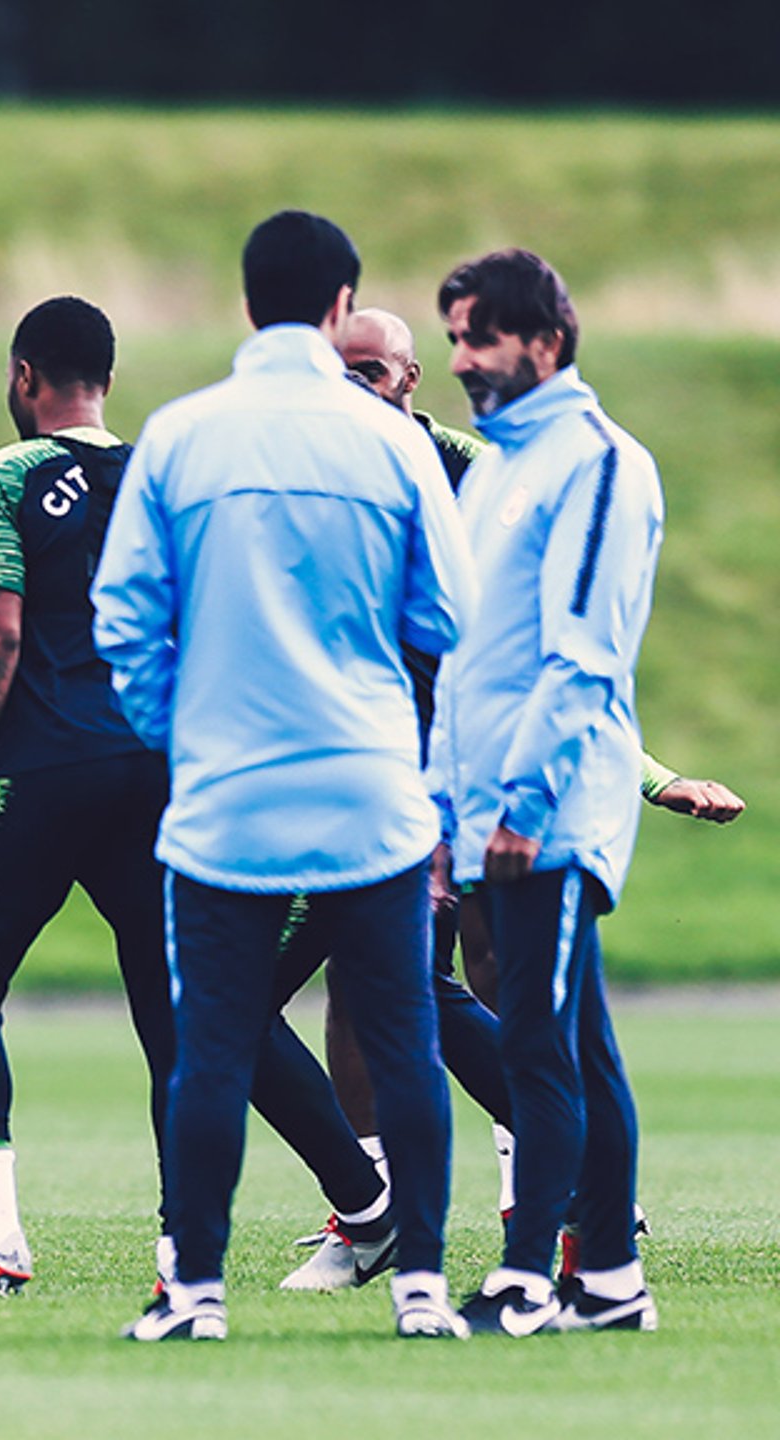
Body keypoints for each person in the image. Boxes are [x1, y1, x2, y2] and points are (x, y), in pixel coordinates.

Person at [0, 299, 400, 1300]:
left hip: (42, 772)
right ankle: (344, 1210)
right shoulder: (161, 471)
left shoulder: (0, 476)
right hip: (160, 770)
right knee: (184, 1011)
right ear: (109, 382)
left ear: (23, 375)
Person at [280, 309, 742, 1292]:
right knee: (363, 988)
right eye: (342, 370)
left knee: (478, 980)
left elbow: (547, 656)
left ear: (410, 378)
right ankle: (398, 1205)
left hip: (467, 781)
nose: (360, 387)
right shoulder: (302, 473)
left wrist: (647, 778)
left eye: (377, 370)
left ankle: (518, 1216)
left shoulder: (472, 472)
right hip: (356, 775)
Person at [92, 211, 476, 1341]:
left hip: (224, 794)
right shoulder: (393, 442)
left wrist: (184, 730)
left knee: (210, 1043)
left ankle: (197, 1295)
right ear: (342, 304)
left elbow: (125, 618)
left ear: (245, 298)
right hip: (369, 788)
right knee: (402, 1037)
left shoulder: (179, 435)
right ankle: (421, 1292)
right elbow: (446, 616)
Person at [434, 249, 665, 1336]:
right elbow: (466, 660)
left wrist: (523, 801)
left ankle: (529, 1279)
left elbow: (584, 656)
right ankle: (610, 1284)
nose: (463, 360)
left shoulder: (598, 463)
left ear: (547, 341)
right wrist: (444, 815)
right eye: (455, 339)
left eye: (480, 337)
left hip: (551, 814)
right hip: (489, 813)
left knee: (533, 1038)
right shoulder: (493, 472)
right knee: (577, 1045)